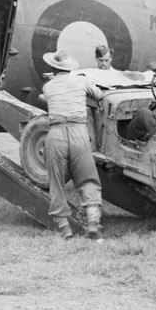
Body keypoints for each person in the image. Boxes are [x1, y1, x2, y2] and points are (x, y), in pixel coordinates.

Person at [38, 49, 104, 240]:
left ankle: (64, 227)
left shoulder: (48, 87)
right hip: (79, 133)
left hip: (56, 133)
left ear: (53, 67)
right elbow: (98, 94)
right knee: (88, 178)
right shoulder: (81, 80)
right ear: (69, 68)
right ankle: (92, 223)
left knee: (56, 182)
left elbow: (48, 97)